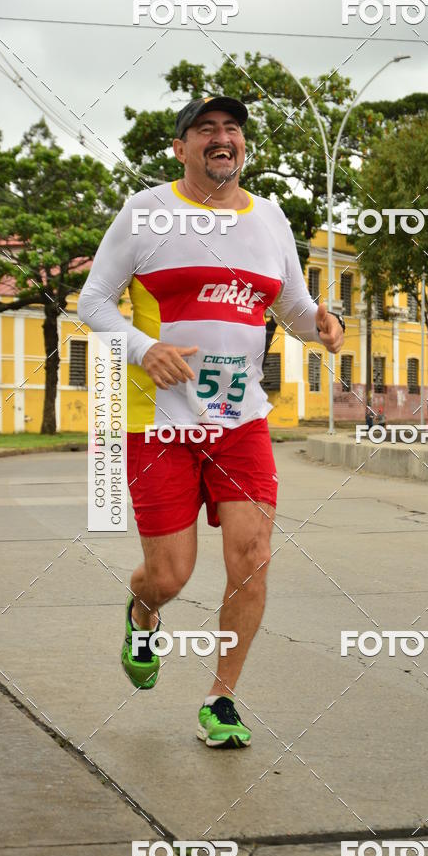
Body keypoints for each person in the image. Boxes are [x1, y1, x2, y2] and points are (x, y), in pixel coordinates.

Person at [77, 96, 344, 748]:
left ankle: (221, 700)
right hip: (160, 421)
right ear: (181, 148)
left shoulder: (271, 219)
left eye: (232, 130)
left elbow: (293, 306)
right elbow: (93, 302)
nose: (222, 138)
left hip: (240, 418)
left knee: (252, 557)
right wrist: (146, 349)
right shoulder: (146, 212)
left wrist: (322, 326)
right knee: (169, 575)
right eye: (206, 130)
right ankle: (144, 614)